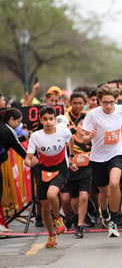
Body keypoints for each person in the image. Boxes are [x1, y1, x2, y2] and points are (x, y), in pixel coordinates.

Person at [24, 106, 75, 248]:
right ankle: (51, 235)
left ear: (55, 119)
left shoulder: (63, 132)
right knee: (45, 209)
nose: (48, 122)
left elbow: (70, 139)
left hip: (60, 169)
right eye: (45, 119)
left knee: (52, 194)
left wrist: (71, 156)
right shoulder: (36, 136)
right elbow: (27, 159)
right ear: (40, 120)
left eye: (51, 119)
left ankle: (58, 218)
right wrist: (30, 162)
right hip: (42, 171)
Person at [82, 84, 122, 238]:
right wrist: (88, 137)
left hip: (116, 154)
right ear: (99, 102)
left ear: (116, 101)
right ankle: (105, 212)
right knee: (104, 192)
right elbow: (83, 138)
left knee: (115, 184)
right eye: (105, 103)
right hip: (97, 158)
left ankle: (114, 221)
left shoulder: (121, 110)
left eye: (111, 102)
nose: (108, 106)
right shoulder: (92, 115)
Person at [0, 108, 28, 233]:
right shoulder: (7, 130)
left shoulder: (3, 127)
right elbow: (18, 148)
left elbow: (12, 142)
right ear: (11, 119)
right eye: (18, 122)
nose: (18, 125)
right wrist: (33, 160)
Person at [65, 113, 92, 238]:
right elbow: (65, 157)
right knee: (74, 201)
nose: (83, 127)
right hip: (72, 174)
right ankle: (76, 216)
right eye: (81, 124)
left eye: (86, 125)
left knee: (84, 196)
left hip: (86, 172)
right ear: (75, 127)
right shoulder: (70, 140)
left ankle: (80, 226)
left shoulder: (91, 141)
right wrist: (70, 163)